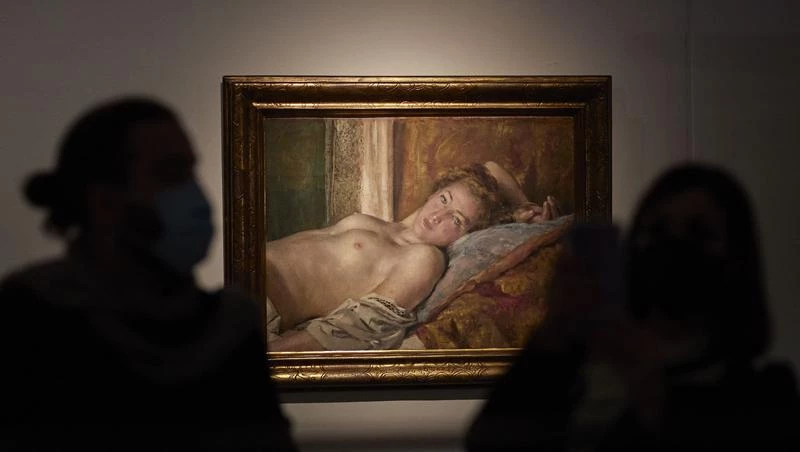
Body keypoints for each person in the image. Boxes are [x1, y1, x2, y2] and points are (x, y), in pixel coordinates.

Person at [0, 97, 297, 451]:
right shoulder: (35, 314)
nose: (196, 196)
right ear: (104, 202)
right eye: (170, 174)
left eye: (190, 172)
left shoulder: (230, 326)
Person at [465, 162, 800, 451]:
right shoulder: (580, 368)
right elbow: (488, 441)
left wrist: (648, 399)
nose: (673, 246)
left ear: (735, 257)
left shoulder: (766, 398)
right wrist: (555, 333)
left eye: (699, 233)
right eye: (656, 229)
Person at [266, 161, 561, 352]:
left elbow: (358, 325)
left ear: (466, 234)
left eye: (456, 220)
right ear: (434, 193)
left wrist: (272, 354)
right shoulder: (390, 227)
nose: (437, 216)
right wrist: (524, 204)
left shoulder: (423, 259)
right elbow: (490, 167)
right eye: (443, 199)